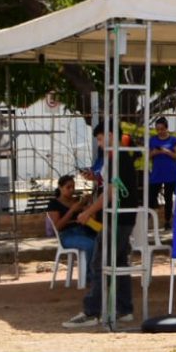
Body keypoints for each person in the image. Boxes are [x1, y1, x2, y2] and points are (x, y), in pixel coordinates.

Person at [64, 125, 138, 327]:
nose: (99, 143)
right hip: (122, 217)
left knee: (100, 263)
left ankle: (92, 311)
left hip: (119, 218)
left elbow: (111, 193)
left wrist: (88, 211)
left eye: (99, 138)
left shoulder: (117, 158)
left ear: (110, 135)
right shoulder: (118, 158)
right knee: (119, 263)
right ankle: (124, 309)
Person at [46, 174, 100, 273]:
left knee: (102, 242)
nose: (72, 190)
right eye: (68, 187)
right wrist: (72, 210)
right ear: (60, 187)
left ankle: (99, 274)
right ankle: (90, 276)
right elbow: (57, 226)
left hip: (85, 231)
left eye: (73, 187)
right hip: (67, 235)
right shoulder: (54, 203)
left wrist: (90, 204)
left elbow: (93, 217)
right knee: (91, 245)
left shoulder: (77, 201)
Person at [147, 117, 176, 228]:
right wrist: (154, 153)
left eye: (162, 129)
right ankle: (150, 218)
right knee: (151, 196)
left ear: (166, 128)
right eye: (157, 129)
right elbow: (148, 156)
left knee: (168, 198)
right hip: (157, 173)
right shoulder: (152, 140)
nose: (160, 131)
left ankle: (167, 221)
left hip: (171, 173)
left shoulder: (173, 140)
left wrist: (166, 152)